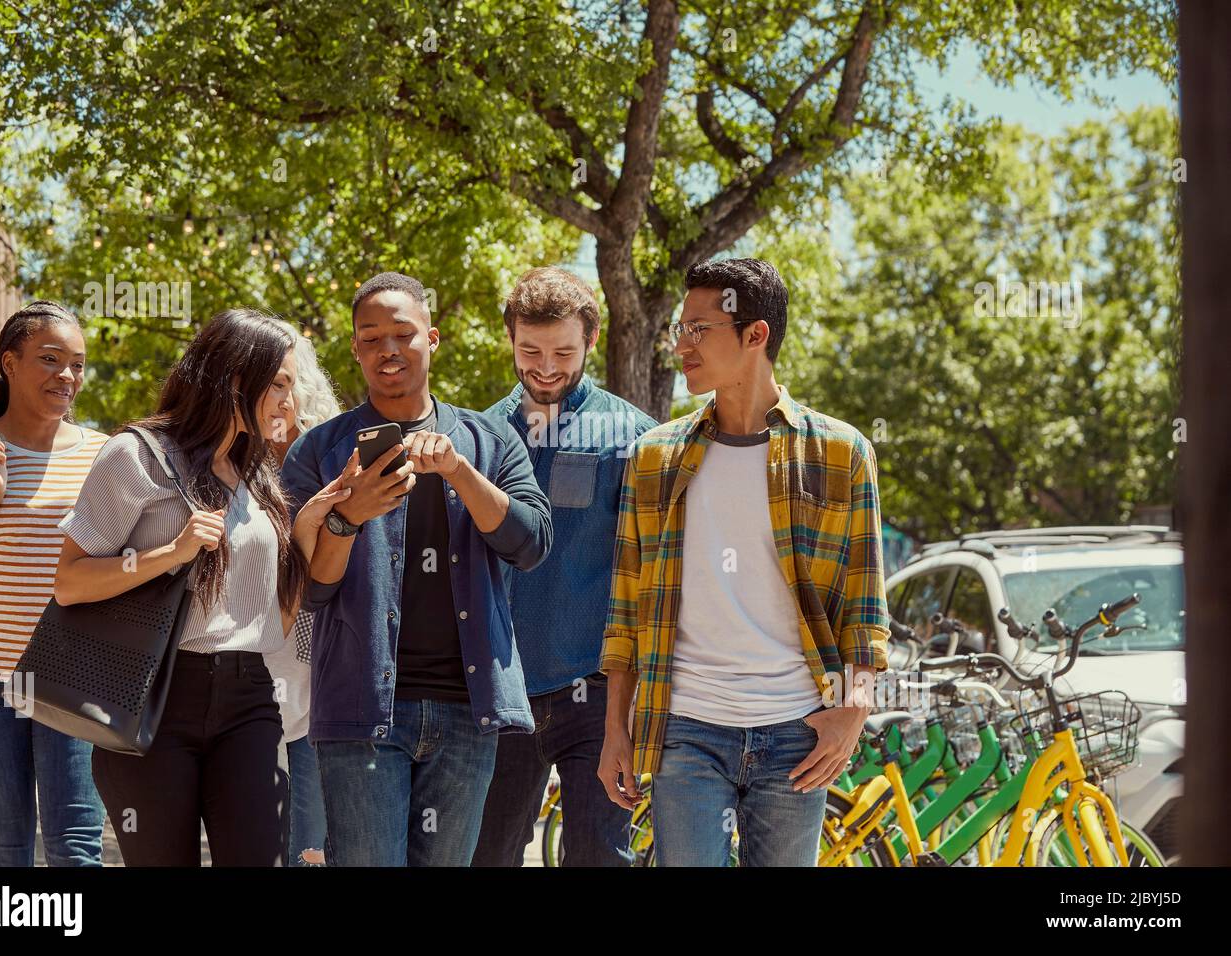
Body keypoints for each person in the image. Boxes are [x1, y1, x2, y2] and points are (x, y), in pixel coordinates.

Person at [597, 258, 890, 867]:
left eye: (698, 329)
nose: (681, 344)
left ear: (755, 335)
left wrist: (853, 712)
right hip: (686, 730)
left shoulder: (841, 452)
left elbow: (864, 608)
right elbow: (626, 607)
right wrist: (615, 729)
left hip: (797, 732)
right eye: (680, 329)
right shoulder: (654, 457)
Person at [53, 309, 348, 866]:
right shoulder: (136, 456)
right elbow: (69, 583)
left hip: (250, 696)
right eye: (279, 384)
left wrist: (313, 524)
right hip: (156, 699)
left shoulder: (257, 472)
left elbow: (275, 620)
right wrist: (172, 552)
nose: (291, 401)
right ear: (238, 379)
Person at [280, 271, 552, 867]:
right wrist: (348, 516)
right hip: (360, 712)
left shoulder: (491, 440)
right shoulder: (319, 452)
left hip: (467, 710)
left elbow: (530, 545)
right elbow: (310, 590)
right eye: (371, 338)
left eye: (403, 333)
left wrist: (459, 473)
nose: (388, 349)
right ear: (355, 349)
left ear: (433, 337)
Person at [474, 267, 656, 867]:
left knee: (600, 857)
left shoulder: (635, 438)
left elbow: (652, 571)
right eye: (530, 350)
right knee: (486, 854)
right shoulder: (479, 437)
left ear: (591, 342)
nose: (545, 367)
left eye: (563, 352)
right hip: (502, 693)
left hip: (599, 696)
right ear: (509, 340)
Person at [0, 300, 107, 866]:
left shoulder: (106, 456)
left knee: (76, 846)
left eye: (77, 364)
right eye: (50, 359)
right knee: (4, 851)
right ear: (9, 361)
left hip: (74, 674)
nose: (68, 376)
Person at [265, 320, 342, 867]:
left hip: (320, 687)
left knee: (312, 849)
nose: (276, 398)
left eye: (283, 383)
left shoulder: (330, 462)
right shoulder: (224, 468)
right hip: (246, 682)